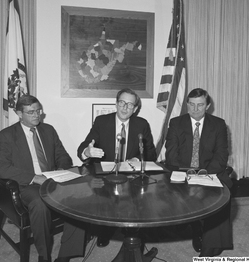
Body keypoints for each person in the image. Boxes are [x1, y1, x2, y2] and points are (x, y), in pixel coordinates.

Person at [0, 95, 86, 262]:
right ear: (19, 113)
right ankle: (44, 256)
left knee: (79, 198)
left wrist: (60, 169)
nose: (37, 115)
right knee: (40, 204)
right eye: (31, 112)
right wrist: (34, 178)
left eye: (38, 111)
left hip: (52, 180)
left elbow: (63, 156)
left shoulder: (48, 130)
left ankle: (67, 253)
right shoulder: (7, 135)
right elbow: (1, 168)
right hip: (27, 185)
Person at [77, 88, 157, 247]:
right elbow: (84, 147)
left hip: (131, 174)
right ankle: (104, 231)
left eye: (130, 104)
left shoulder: (142, 124)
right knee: (104, 199)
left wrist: (137, 159)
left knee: (140, 198)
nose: (125, 107)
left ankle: (133, 234)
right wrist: (87, 151)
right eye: (122, 102)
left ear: (135, 109)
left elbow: (151, 154)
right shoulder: (102, 121)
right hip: (105, 174)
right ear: (116, 104)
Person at [165, 88, 233, 257]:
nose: (195, 109)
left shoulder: (218, 124)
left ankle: (211, 247)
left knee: (222, 195)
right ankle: (192, 225)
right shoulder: (176, 123)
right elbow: (171, 155)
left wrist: (202, 174)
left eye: (200, 105)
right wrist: (188, 174)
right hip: (182, 170)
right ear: (187, 104)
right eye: (192, 105)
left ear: (208, 105)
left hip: (209, 171)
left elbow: (221, 156)